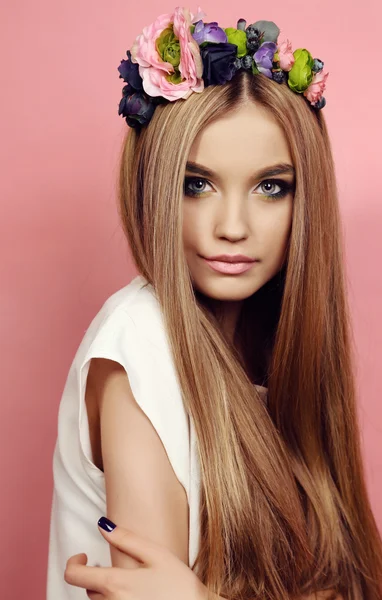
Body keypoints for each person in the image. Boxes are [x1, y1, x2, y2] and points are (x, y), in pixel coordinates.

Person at [46, 6, 382, 600]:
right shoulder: (139, 345)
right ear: (152, 185)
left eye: (270, 187)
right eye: (195, 184)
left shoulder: (277, 347)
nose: (232, 226)